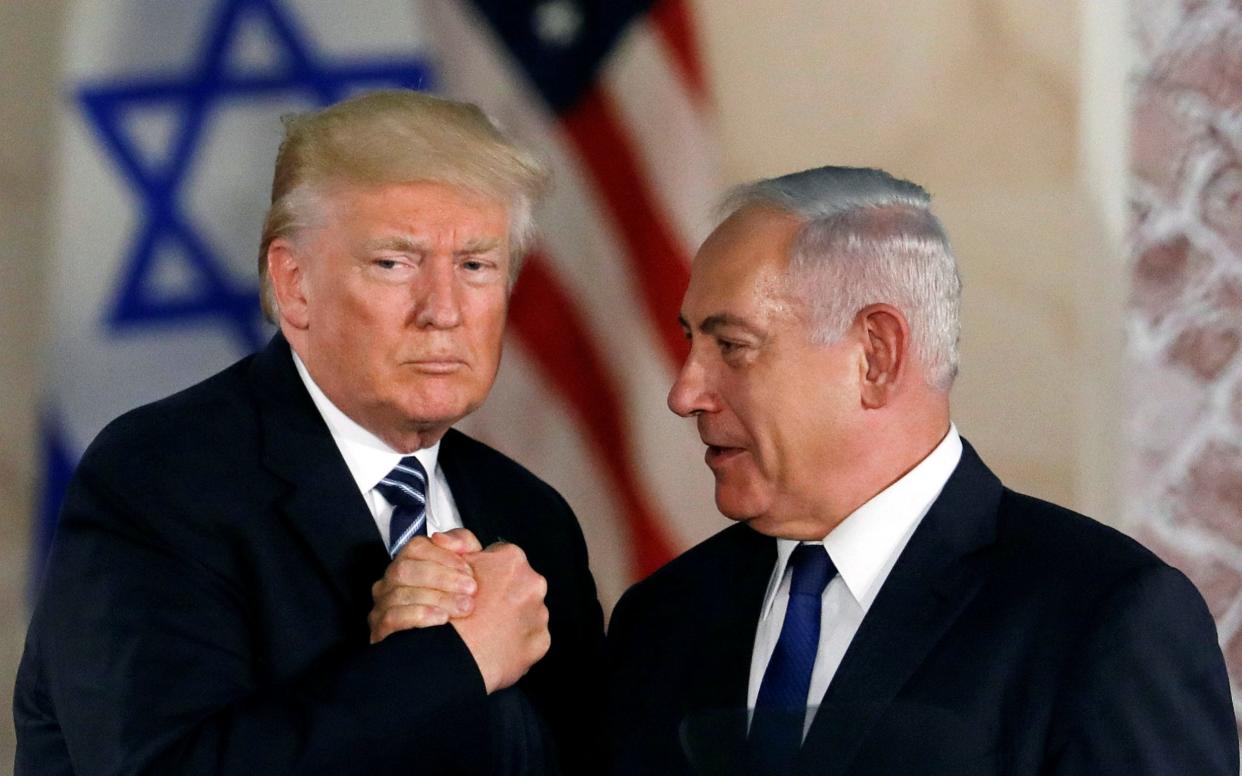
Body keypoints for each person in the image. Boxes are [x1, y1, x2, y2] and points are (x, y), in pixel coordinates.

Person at [14, 90, 604, 775]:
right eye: (395, 263)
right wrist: (446, 664)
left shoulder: (531, 516)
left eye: (476, 265)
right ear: (293, 286)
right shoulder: (162, 478)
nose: (443, 311)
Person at [605, 166, 1238, 775]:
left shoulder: (1104, 621)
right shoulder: (659, 621)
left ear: (876, 357)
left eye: (732, 347)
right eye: (690, 341)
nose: (684, 393)